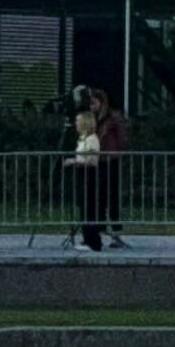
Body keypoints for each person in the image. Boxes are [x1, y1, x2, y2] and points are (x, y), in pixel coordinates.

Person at [69, 86, 128, 250]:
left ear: (102, 103)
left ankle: (116, 232)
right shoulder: (92, 120)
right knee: (97, 198)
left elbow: (122, 139)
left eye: (94, 103)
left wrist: (114, 152)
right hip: (96, 162)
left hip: (110, 160)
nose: (91, 107)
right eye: (90, 104)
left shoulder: (112, 118)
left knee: (112, 196)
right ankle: (97, 230)